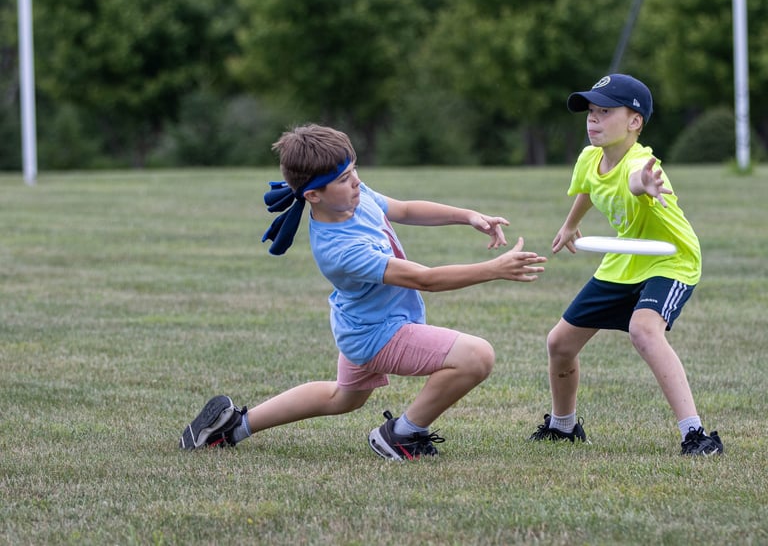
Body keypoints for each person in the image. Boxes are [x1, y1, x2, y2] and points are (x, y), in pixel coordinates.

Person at [180, 123, 547, 460]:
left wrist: (467, 215)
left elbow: (404, 209)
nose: (355, 181)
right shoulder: (341, 250)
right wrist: (494, 270)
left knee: (342, 398)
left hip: (359, 325)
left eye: (354, 170)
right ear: (314, 195)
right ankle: (403, 434)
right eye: (344, 178)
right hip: (378, 334)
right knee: (476, 356)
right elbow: (426, 280)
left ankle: (233, 427)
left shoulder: (354, 198)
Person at [528, 74, 722, 456]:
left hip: (670, 259)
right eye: (591, 111)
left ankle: (696, 435)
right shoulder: (590, 158)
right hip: (625, 259)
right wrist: (569, 225)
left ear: (635, 121)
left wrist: (644, 184)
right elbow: (589, 187)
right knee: (559, 343)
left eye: (605, 111)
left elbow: (634, 180)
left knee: (644, 330)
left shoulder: (643, 164)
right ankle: (563, 427)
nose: (592, 118)